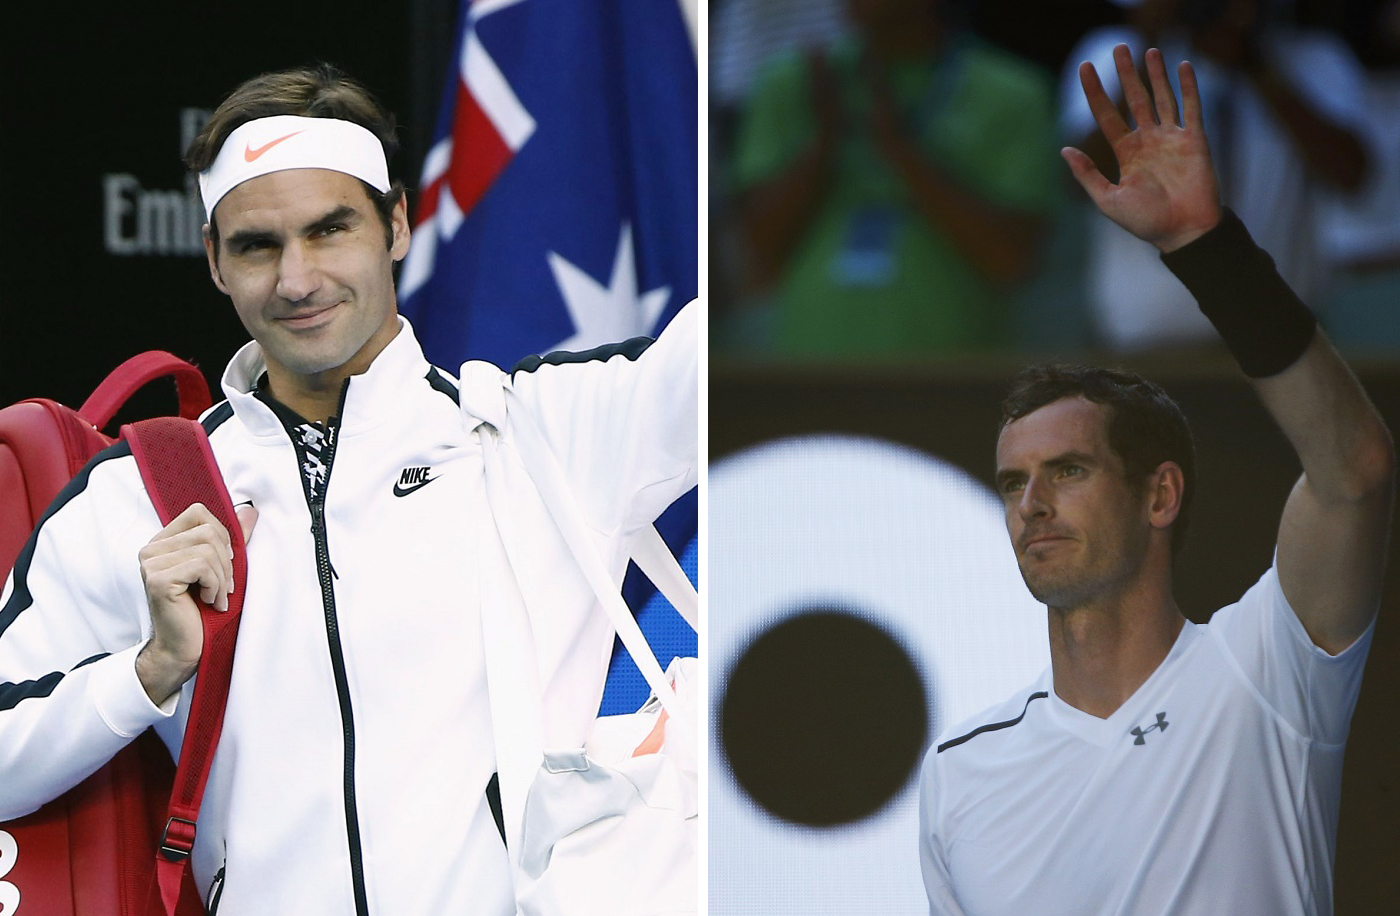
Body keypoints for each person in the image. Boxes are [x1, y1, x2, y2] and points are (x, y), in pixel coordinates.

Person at [0, 65, 697, 915]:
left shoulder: (539, 434)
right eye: (258, 245)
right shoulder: (139, 493)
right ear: (215, 260)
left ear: (397, 223)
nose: (297, 280)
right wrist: (148, 672)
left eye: (330, 231)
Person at [919, 45, 1393, 915]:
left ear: (1160, 495)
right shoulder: (958, 775)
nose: (1032, 504)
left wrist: (1206, 250)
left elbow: (1353, 472)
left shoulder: (1266, 668)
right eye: (1012, 481)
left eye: (1068, 470)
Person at [730, 0, 1060, 358]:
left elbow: (1011, 260)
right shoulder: (797, 81)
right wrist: (822, 144)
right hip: (807, 376)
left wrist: (901, 150)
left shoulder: (1013, 92)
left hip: (953, 381)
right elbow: (757, 254)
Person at [1059, 0, 1374, 350]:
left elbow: (1351, 175)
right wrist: (1148, 45)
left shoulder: (1315, 58)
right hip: (1143, 344)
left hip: (1285, 343)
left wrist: (1253, 61)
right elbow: (1083, 181)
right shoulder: (1111, 53)